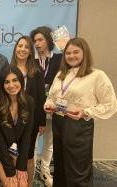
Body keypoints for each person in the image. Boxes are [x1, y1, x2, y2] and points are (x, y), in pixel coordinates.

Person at [44, 37, 117, 187]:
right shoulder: (61, 74)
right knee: (60, 168)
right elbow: (51, 96)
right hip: (59, 122)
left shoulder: (97, 75)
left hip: (78, 125)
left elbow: (111, 104)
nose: (71, 56)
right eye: (68, 53)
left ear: (85, 53)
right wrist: (49, 105)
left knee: (78, 172)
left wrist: (86, 111)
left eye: (76, 52)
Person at [0, 66, 34, 187]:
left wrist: (21, 167)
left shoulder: (29, 101)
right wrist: (11, 172)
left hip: (14, 142)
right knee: (10, 183)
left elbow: (27, 136)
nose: (11, 85)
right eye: (7, 82)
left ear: (21, 81)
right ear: (2, 85)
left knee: (22, 182)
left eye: (15, 80)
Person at [10, 35, 46, 187]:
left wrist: (41, 121)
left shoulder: (36, 72)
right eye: (20, 46)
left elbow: (40, 98)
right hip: (11, 120)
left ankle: (28, 184)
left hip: (30, 121)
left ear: (31, 51)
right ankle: (14, 182)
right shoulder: (8, 69)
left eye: (26, 47)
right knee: (12, 154)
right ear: (15, 48)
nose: (22, 49)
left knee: (29, 155)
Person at [29, 26, 62, 187]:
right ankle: (32, 170)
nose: (37, 43)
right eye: (35, 40)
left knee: (49, 142)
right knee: (32, 142)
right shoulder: (31, 60)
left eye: (40, 39)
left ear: (49, 40)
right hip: (35, 109)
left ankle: (45, 170)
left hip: (54, 107)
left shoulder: (59, 58)